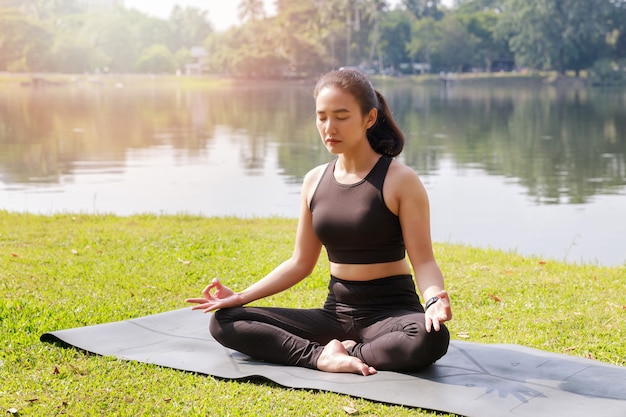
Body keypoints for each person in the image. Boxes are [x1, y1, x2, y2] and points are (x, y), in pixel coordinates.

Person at [186, 68, 452, 376]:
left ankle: (350, 351)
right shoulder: (314, 181)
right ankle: (321, 357)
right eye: (322, 117)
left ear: (369, 118)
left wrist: (432, 300)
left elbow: (424, 261)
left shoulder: (400, 180)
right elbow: (300, 262)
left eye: (341, 116)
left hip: (392, 312)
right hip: (335, 314)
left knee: (429, 337)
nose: (329, 127)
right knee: (225, 321)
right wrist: (241, 297)